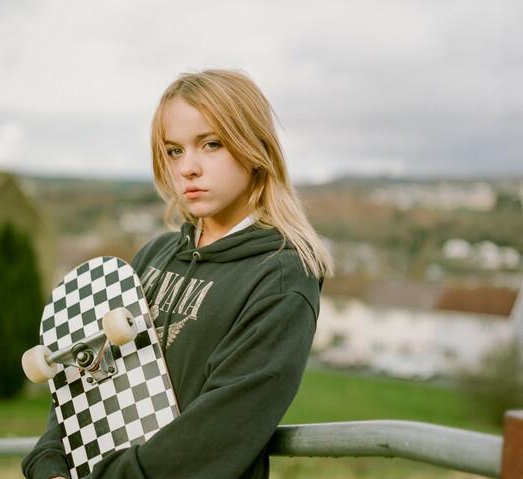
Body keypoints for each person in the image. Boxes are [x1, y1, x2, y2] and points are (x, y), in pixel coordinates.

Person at [22, 69, 334, 479]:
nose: (188, 168)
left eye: (211, 144)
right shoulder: (154, 256)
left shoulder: (280, 278)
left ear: (254, 147)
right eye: (173, 151)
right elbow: (82, 379)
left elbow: (220, 430)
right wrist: (50, 464)